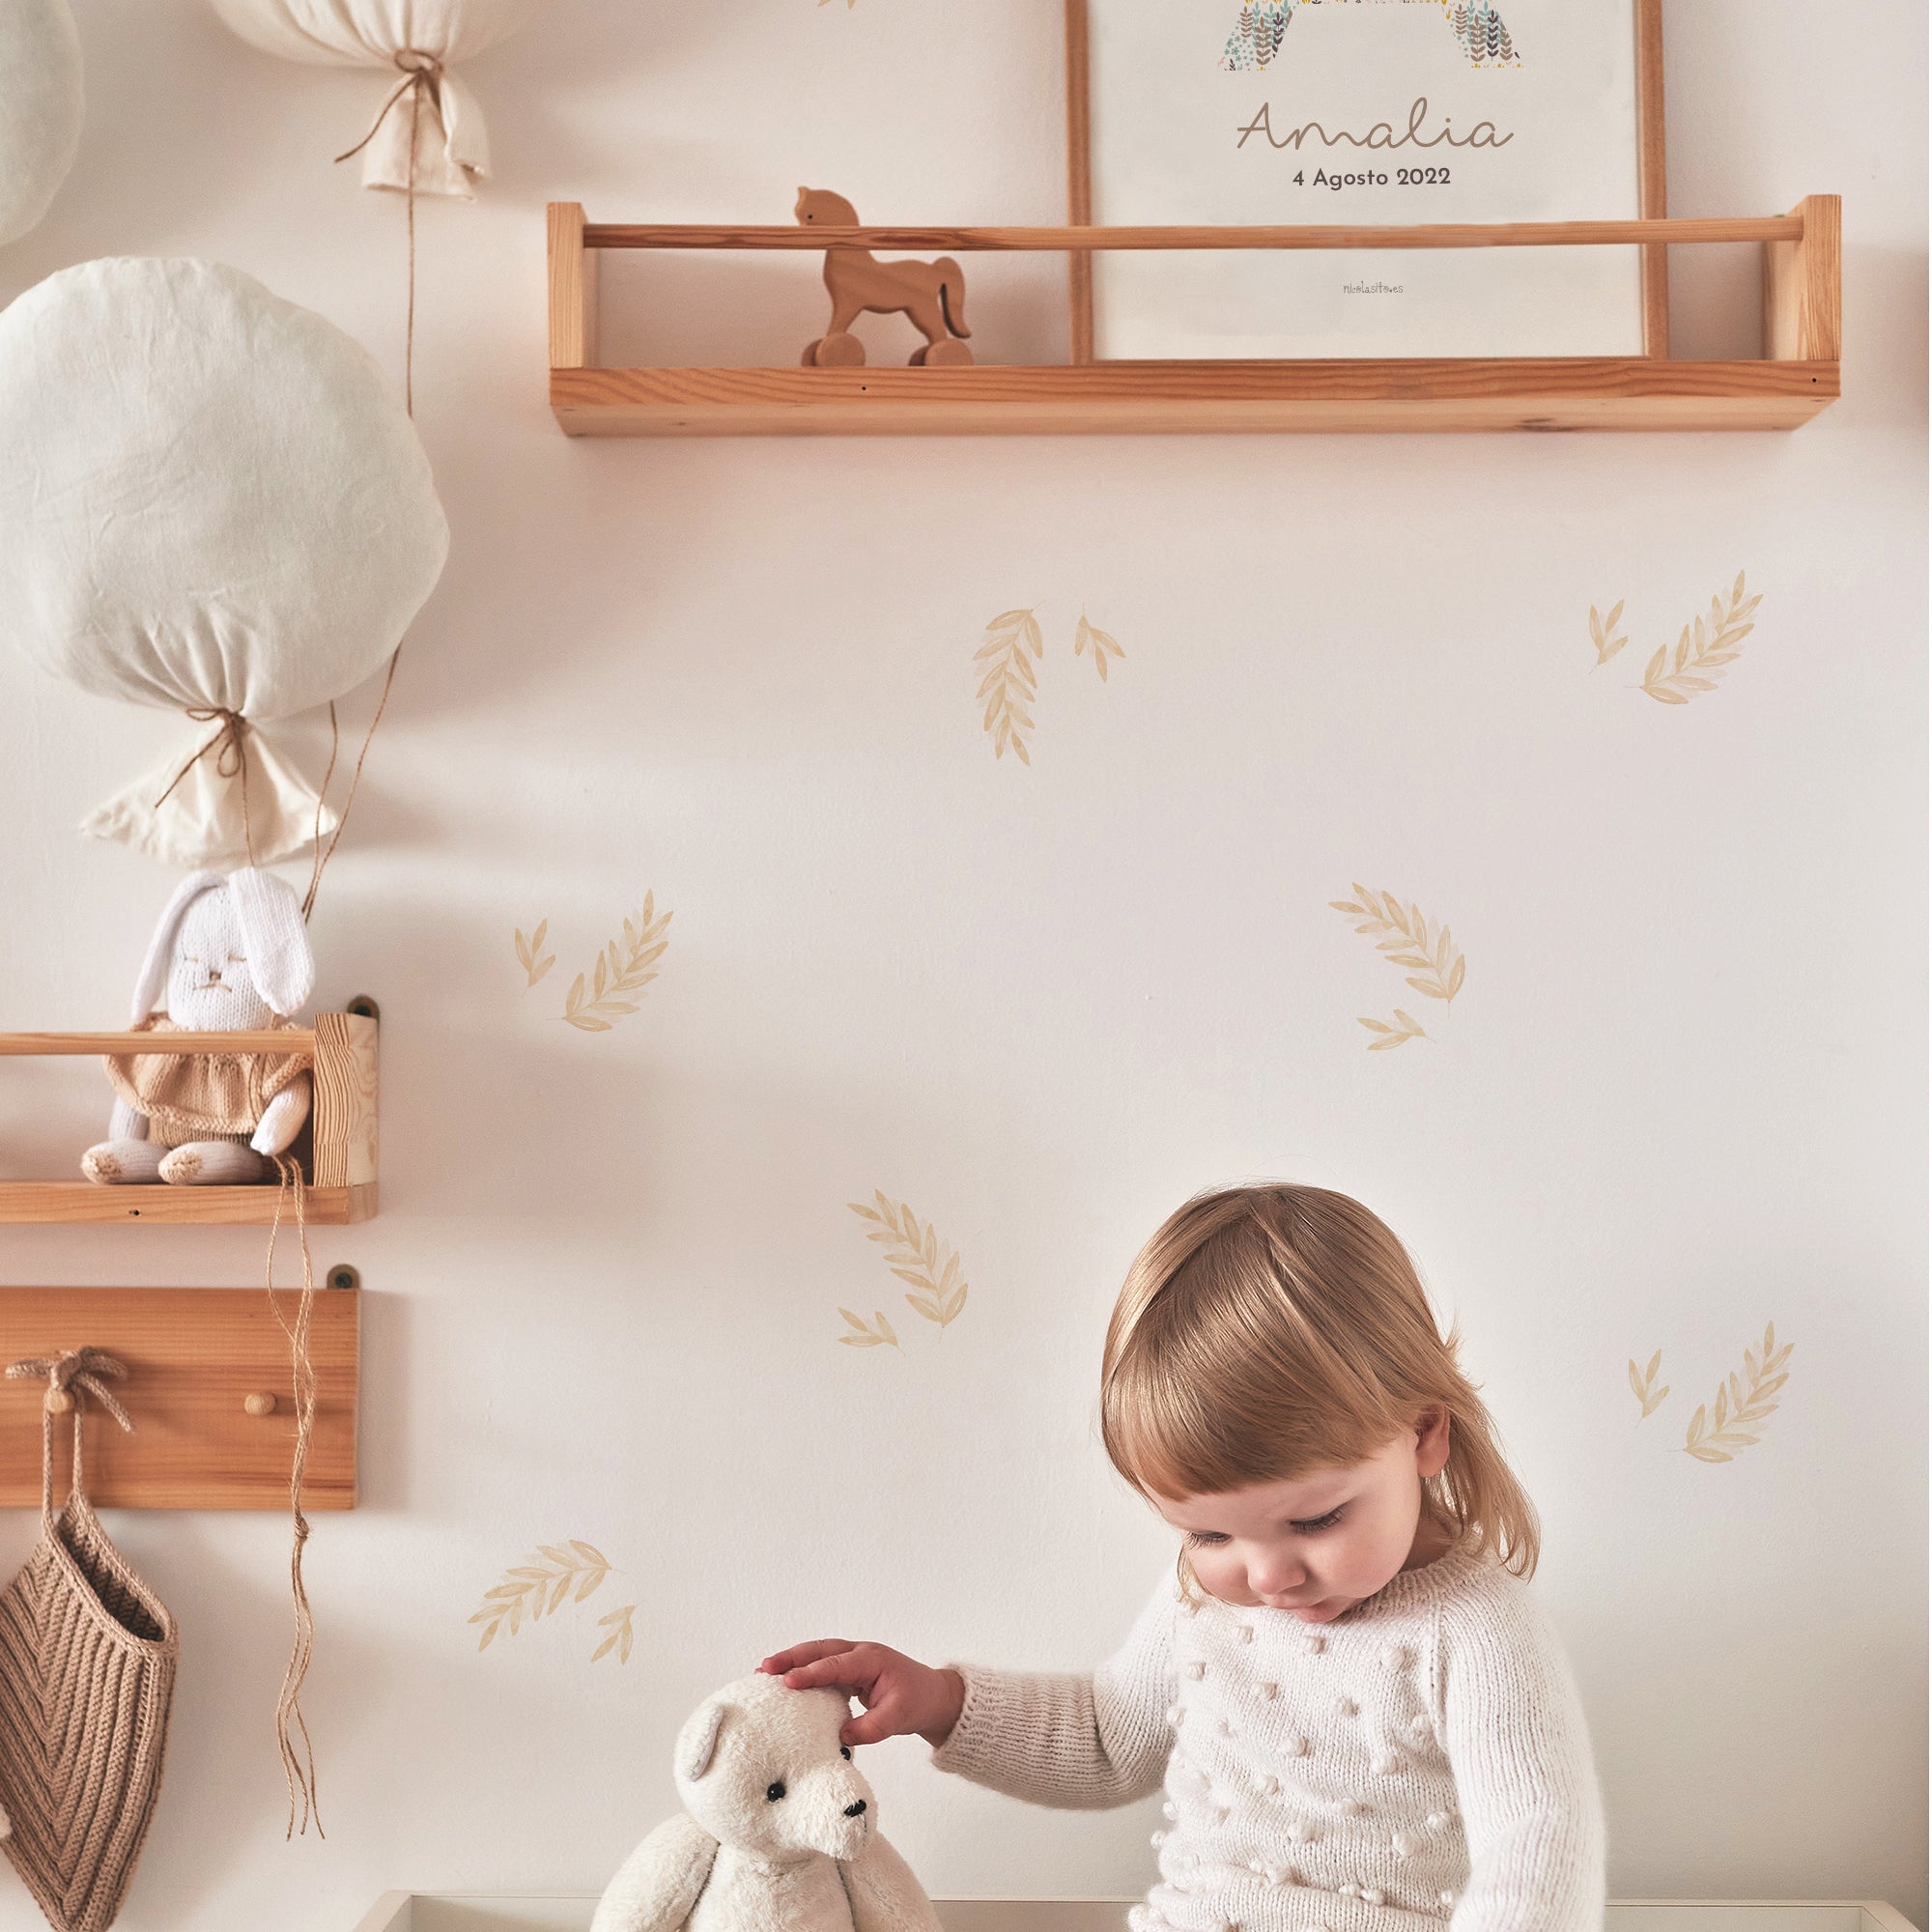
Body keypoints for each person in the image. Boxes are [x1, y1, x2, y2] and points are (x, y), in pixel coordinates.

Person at [761, 1182, 1606, 1931]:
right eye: (1210, 1536)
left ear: (1425, 1433)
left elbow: (1538, 1853)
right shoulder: (1205, 1607)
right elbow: (1104, 1739)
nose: (1267, 1577)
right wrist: (940, 1700)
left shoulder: (1478, 1631)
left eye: (1315, 1520)